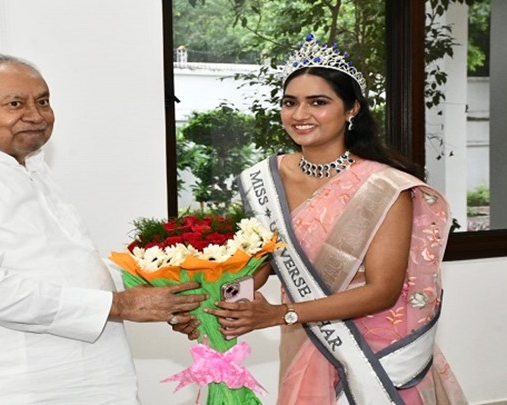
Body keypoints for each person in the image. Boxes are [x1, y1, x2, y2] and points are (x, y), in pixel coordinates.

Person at [0, 52, 204, 404]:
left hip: (88, 381)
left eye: (43, 101)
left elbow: (72, 271)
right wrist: (119, 305)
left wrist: (166, 291)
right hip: (1, 387)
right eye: (15, 104)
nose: (35, 115)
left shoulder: (35, 172)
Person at [198, 34, 467, 403]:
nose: (300, 114)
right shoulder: (267, 179)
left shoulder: (385, 185)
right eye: (290, 103)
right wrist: (218, 305)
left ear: (352, 108)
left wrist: (280, 314)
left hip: (374, 351)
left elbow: (382, 290)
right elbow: (262, 265)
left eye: (318, 102)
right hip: (306, 341)